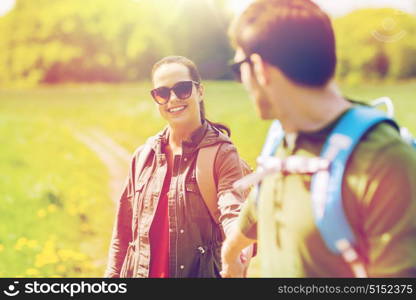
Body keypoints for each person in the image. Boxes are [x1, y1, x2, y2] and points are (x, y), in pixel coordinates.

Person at [221, 0, 416, 277]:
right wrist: (230, 252)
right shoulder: (281, 137)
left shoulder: (383, 159)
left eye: (238, 66)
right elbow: (260, 202)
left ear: (259, 68)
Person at [104, 56, 250, 278]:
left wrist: (236, 248)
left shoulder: (221, 153)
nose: (172, 99)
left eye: (182, 89)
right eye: (162, 93)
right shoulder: (143, 156)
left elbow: (232, 210)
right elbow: (123, 235)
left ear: (199, 91)